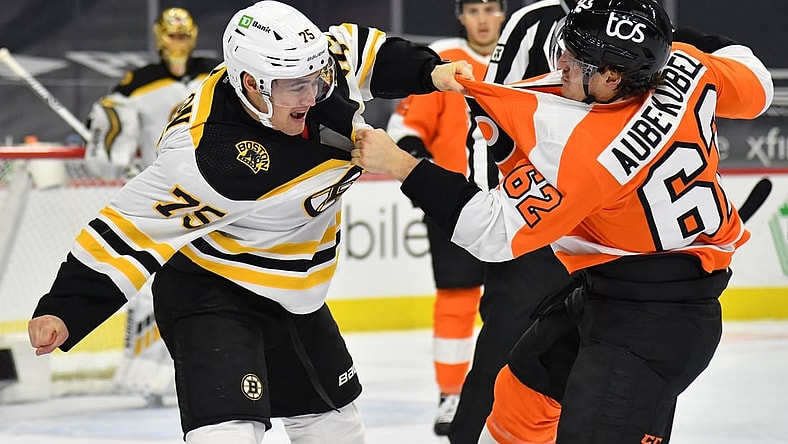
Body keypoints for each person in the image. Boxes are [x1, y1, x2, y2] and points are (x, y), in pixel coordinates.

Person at [27, 1, 471, 443]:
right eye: (294, 87)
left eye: (316, 81)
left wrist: (433, 72)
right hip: (210, 290)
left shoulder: (319, 67)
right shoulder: (206, 155)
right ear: (250, 85)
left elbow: (368, 53)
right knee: (228, 435)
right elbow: (128, 229)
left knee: (337, 430)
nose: (311, 97)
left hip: (294, 294)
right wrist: (64, 308)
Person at [350, 0, 773, 442]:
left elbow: (491, 231)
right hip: (612, 292)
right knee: (518, 399)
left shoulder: (585, 154)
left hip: (652, 323)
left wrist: (399, 164)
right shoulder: (689, 67)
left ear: (612, 76)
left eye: (575, 60)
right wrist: (659, 38)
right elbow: (756, 82)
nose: (562, 65)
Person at [447, 1, 580, 442]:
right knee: (505, 349)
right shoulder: (535, 22)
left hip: (603, 230)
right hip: (533, 225)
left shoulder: (637, 19)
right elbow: (491, 112)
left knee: (592, 355)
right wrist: (506, 215)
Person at [83, 7, 221, 407]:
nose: (178, 44)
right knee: (149, 288)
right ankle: (145, 377)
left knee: (213, 281)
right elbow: (105, 144)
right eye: (171, 37)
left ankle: (201, 367)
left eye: (184, 36)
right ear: (159, 37)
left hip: (215, 193)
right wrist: (111, 133)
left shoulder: (215, 73)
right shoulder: (136, 83)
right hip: (160, 197)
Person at [384, 0, 506, 436]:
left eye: (490, 8)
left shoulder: (525, 54)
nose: (482, 19)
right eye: (473, 10)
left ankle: (508, 394)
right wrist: (420, 171)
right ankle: (452, 395)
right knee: (457, 297)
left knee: (515, 304)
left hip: (517, 204)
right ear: (461, 16)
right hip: (456, 204)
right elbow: (407, 127)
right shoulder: (444, 59)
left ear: (503, 13)